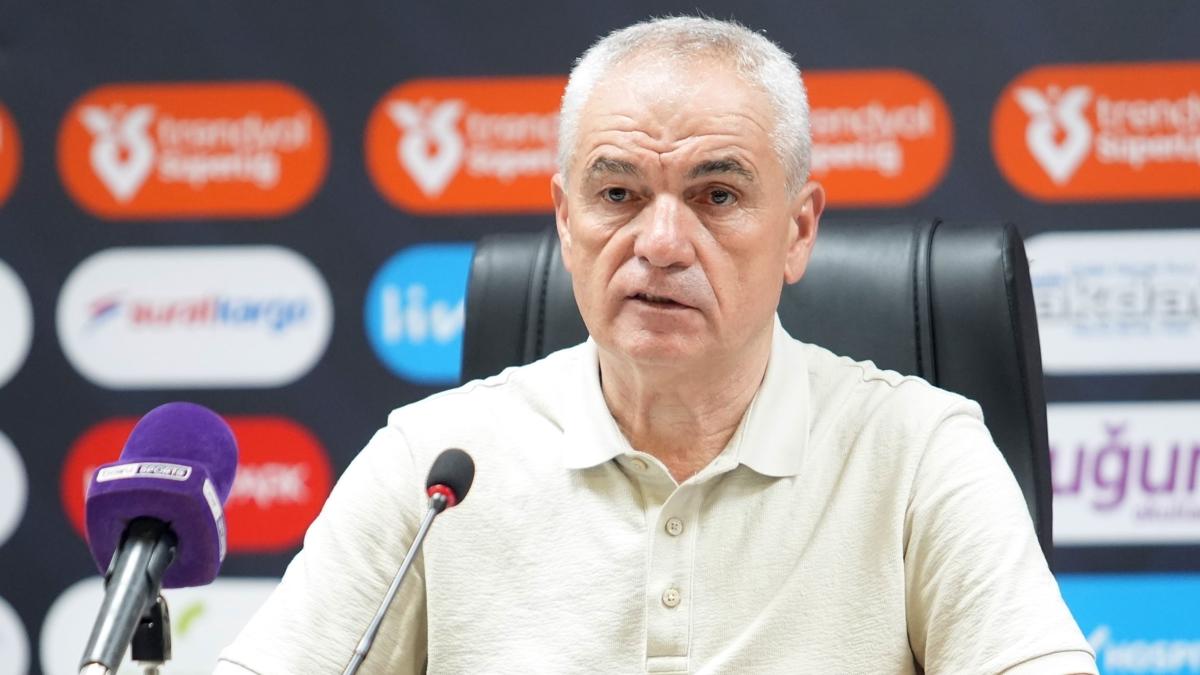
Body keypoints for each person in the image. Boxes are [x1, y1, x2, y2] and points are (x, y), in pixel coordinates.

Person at [217, 16, 1097, 674]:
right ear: (565, 221)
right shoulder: (435, 464)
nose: (663, 242)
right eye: (618, 194)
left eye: (717, 196)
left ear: (798, 230)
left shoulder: (919, 451)